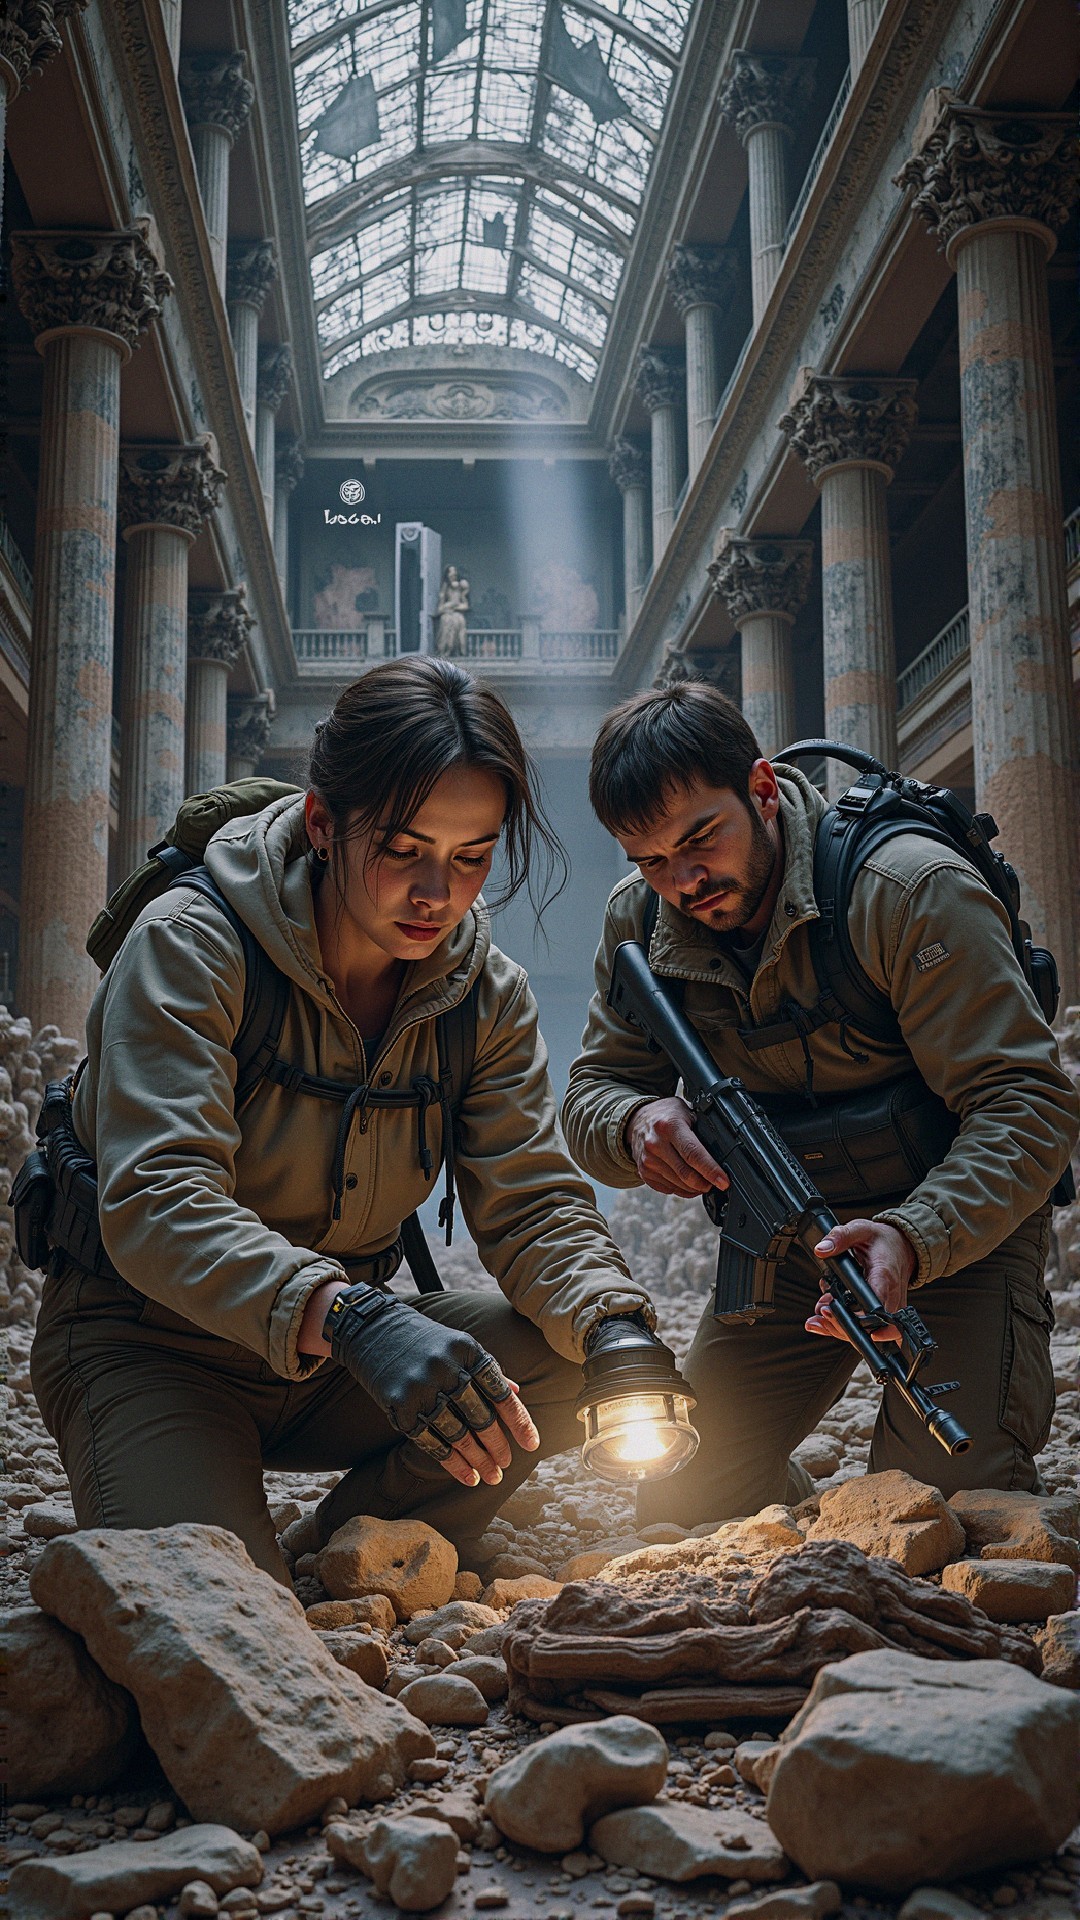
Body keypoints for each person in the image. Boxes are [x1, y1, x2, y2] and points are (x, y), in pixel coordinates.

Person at [30, 657, 658, 1584]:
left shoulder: (485, 996)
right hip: (151, 1344)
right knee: (216, 1607)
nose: (437, 893)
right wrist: (358, 1320)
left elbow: (531, 1204)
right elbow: (158, 1200)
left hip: (337, 1362)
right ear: (323, 824)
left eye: (472, 857)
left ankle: (355, 1536)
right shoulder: (190, 946)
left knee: (571, 1361)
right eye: (403, 850)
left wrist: (616, 1329)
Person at [562, 681, 1078, 1528]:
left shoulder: (905, 890)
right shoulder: (642, 922)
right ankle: (803, 1517)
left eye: (700, 839)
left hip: (953, 1230)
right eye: (650, 860)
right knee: (688, 1496)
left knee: (942, 1506)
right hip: (783, 1241)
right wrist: (635, 1122)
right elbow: (593, 1091)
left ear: (762, 790)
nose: (684, 882)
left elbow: (1028, 1104)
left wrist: (915, 1237)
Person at [435, 565, 468, 657]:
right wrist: (448, 607)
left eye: (455, 572)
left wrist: (456, 607)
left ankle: (458, 650)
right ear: (447, 574)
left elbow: (465, 605)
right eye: (451, 572)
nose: (454, 574)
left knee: (459, 620)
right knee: (447, 621)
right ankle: (445, 650)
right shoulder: (445, 587)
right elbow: (440, 608)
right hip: (447, 613)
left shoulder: (460, 587)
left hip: (456, 613)